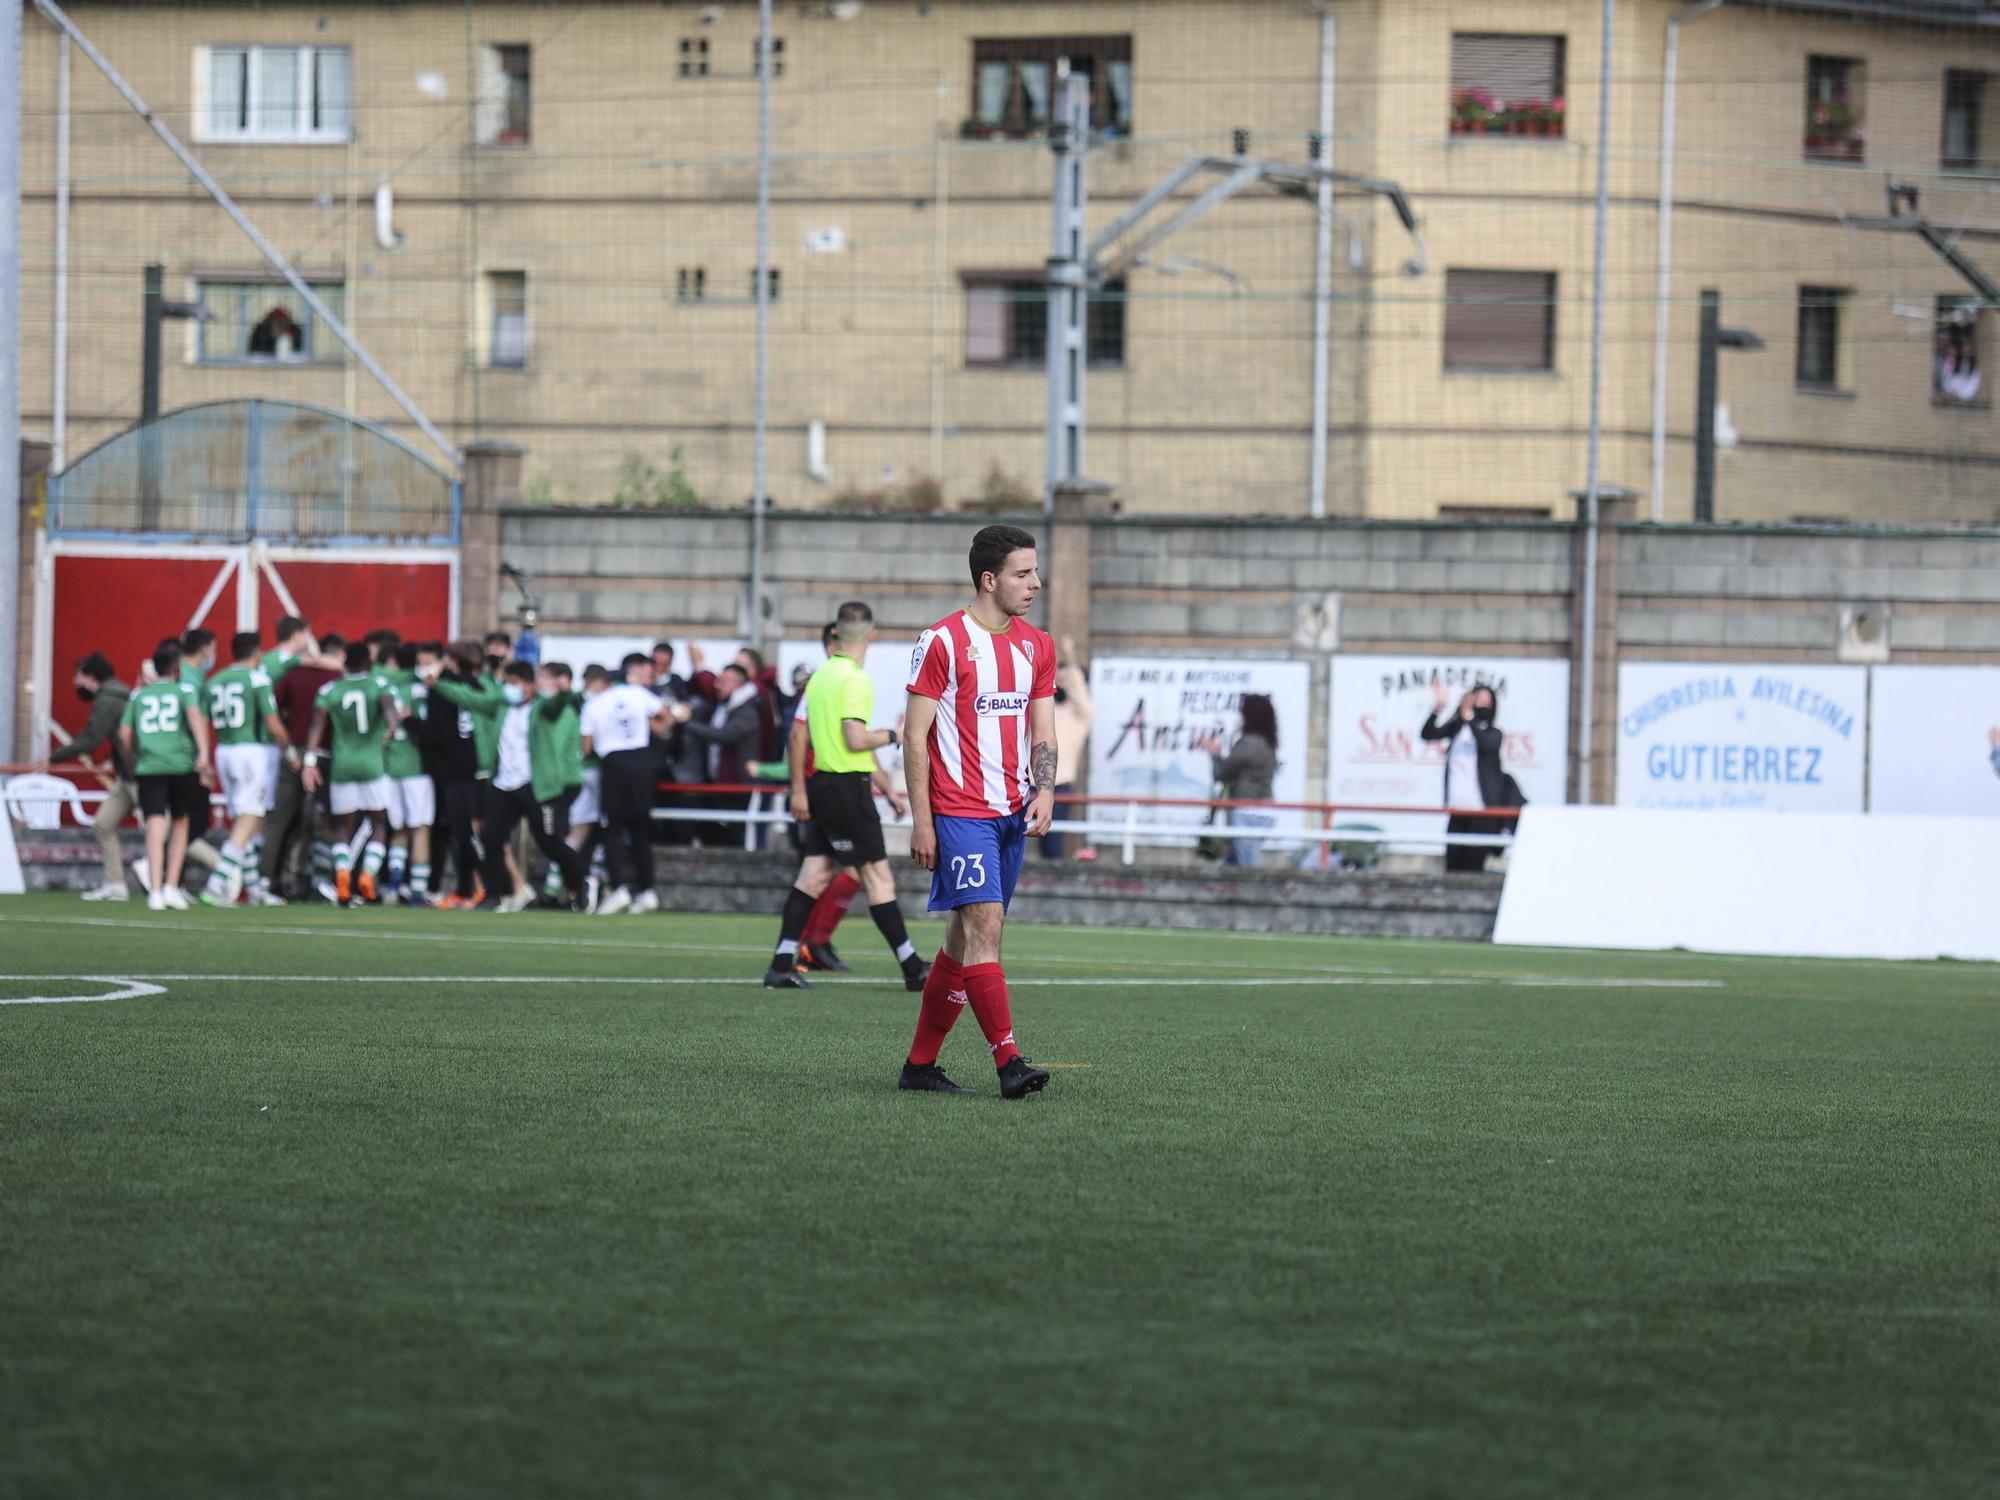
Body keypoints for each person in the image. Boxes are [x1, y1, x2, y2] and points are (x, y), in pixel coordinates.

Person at [899, 524, 1056, 1099]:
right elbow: (914, 737)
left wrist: (1046, 790)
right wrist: (922, 820)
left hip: (1012, 812)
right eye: (1023, 573)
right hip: (959, 811)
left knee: (961, 941)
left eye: (1035, 571)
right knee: (986, 926)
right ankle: (1009, 1061)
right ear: (989, 581)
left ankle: (919, 1067)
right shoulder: (941, 641)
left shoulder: (1037, 645)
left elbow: (1044, 727)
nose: (1036, 583)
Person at [761, 601, 926, 991]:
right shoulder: (855, 679)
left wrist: (884, 786)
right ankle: (913, 968)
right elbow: (856, 739)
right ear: (872, 635)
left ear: (836, 633)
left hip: (824, 786)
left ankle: (781, 964)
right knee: (878, 878)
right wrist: (894, 735)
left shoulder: (820, 676)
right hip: (846, 789)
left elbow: (810, 735)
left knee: (813, 875)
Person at [472, 660, 589, 912]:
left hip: (536, 787)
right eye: (507, 683)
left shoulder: (543, 709)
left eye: (514, 683)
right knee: (491, 838)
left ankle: (581, 882)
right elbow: (471, 698)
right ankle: (493, 894)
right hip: (504, 784)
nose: (509, 688)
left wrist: (566, 691)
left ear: (528, 685)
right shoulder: (501, 708)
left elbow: (557, 705)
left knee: (549, 842)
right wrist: (439, 684)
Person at [301, 642, 401, 906]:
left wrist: (309, 762)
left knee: (342, 827)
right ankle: (367, 874)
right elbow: (390, 709)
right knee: (378, 824)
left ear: (345, 662)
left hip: (342, 765)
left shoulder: (330, 689)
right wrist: (392, 727)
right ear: (368, 662)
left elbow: (316, 726)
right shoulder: (380, 685)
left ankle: (342, 872)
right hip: (372, 765)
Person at [117, 642, 215, 911]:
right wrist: (203, 754)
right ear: (175, 668)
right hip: (180, 765)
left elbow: (124, 734)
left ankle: (155, 891)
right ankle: (172, 886)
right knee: (181, 823)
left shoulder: (139, 695)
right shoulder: (184, 690)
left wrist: (132, 757)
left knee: (154, 826)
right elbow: (196, 719)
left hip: (149, 766)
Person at [581, 652, 678, 915]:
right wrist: (651, 729)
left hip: (614, 765)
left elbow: (586, 747)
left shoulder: (593, 705)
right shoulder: (638, 694)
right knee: (640, 831)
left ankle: (619, 888)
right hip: (642, 762)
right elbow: (667, 717)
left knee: (612, 829)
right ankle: (647, 890)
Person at [199, 631, 288, 906]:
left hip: (223, 750)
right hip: (250, 751)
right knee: (251, 817)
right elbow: (272, 723)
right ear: (257, 652)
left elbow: (204, 717)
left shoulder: (215, 680)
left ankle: (255, 890)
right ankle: (217, 883)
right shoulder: (258, 678)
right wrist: (290, 749)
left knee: (243, 821)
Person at [43, 651, 136, 901]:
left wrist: (52, 758)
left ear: (91, 676)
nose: (75, 683)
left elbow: (91, 738)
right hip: (129, 777)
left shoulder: (109, 698)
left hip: (140, 776)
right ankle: (116, 885)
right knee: (103, 825)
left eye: (78, 676)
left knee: (168, 832)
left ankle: (223, 869)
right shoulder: (116, 695)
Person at [262, 634, 343, 900]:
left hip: (295, 750)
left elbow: (276, 709)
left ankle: (269, 880)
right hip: (328, 753)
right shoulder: (338, 678)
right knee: (331, 819)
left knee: (283, 818)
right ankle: (327, 879)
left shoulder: (292, 676)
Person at [421, 640, 491, 908]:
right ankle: (469, 888)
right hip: (478, 768)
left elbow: (435, 732)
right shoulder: (480, 688)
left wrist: (411, 722)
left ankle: (478, 887)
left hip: (453, 770)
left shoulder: (443, 688)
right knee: (466, 832)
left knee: (457, 832)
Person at [1422, 680, 1511, 873]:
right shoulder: (1457, 729)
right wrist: (1439, 706)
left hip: (1481, 810)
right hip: (1457, 808)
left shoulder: (1493, 733)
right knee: (1453, 865)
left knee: (1473, 867)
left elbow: (1486, 744)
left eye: (1487, 702)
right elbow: (1428, 734)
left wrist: (1469, 718)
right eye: (1478, 699)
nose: (1482, 705)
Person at [378, 642, 436, 906]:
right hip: (415, 768)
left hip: (390, 766)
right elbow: (423, 729)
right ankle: (416, 891)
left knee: (398, 830)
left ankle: (392, 887)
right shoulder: (418, 687)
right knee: (420, 829)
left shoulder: (383, 684)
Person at [1209, 693, 1278, 869]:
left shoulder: (1248, 744)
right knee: (1233, 862)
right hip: (1263, 809)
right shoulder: (1268, 744)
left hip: (1247, 811)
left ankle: (1255, 896)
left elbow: (1222, 773)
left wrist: (1215, 755)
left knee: (1247, 868)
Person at [1042, 635, 1095, 860]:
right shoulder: (1045, 709)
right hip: (1028, 784)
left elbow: (1078, 689)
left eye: (1067, 680)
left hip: (1059, 785)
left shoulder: (1081, 715)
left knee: (1053, 840)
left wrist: (1070, 656)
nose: (1061, 682)